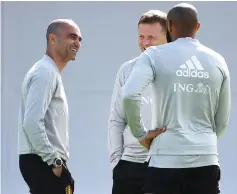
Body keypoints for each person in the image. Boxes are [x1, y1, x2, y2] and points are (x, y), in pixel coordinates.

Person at [122, 3, 231, 194]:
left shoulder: (153, 55)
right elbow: (222, 120)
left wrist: (140, 135)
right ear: (197, 27)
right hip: (206, 160)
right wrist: (204, 141)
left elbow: (130, 94)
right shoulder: (217, 60)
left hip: (165, 160)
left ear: (169, 26)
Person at [18, 19, 82, 194]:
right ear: (52, 39)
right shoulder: (45, 73)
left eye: (79, 39)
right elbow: (31, 122)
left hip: (42, 161)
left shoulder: (48, 72)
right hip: (43, 161)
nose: (77, 42)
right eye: (71, 37)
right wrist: (55, 161)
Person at [108, 10, 168, 194]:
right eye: (141, 36)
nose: (145, 43)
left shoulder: (177, 71)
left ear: (169, 37)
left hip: (167, 165)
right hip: (130, 166)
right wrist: (116, 164)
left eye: (152, 37)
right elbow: (116, 120)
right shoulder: (127, 70)